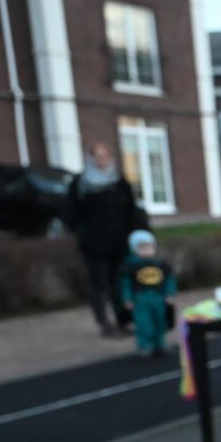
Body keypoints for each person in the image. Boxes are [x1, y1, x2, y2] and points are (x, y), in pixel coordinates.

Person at [66, 142, 147, 336]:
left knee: (119, 282)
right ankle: (104, 322)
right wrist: (82, 231)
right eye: (98, 156)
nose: (102, 160)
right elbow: (71, 212)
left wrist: (137, 232)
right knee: (99, 283)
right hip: (94, 243)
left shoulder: (119, 181)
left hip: (119, 242)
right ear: (91, 159)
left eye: (105, 156)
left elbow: (131, 209)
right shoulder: (81, 183)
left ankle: (123, 321)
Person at [119, 230, 175, 357]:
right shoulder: (131, 265)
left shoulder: (160, 264)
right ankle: (145, 345)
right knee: (144, 323)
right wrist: (127, 299)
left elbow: (169, 279)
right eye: (142, 248)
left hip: (158, 297)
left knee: (160, 321)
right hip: (141, 298)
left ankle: (160, 343)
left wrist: (170, 293)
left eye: (149, 247)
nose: (146, 251)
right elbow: (126, 284)